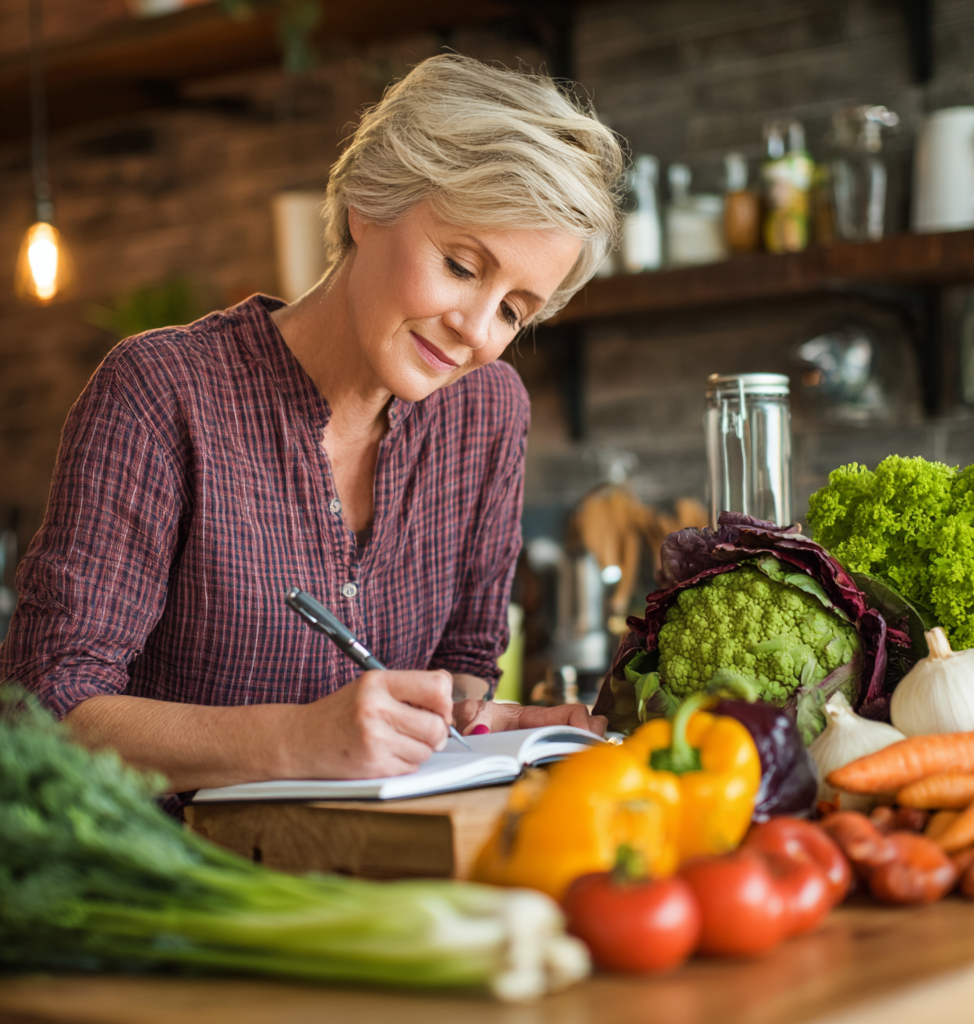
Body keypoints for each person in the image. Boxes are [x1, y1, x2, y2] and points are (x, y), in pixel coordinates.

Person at [0, 55, 622, 804]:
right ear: (368, 203)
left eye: (515, 310)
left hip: (381, 873)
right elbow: (45, 707)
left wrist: (465, 720)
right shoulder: (161, 394)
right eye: (461, 266)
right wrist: (298, 740)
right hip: (170, 884)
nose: (475, 329)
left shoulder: (489, 412)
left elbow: (464, 661)